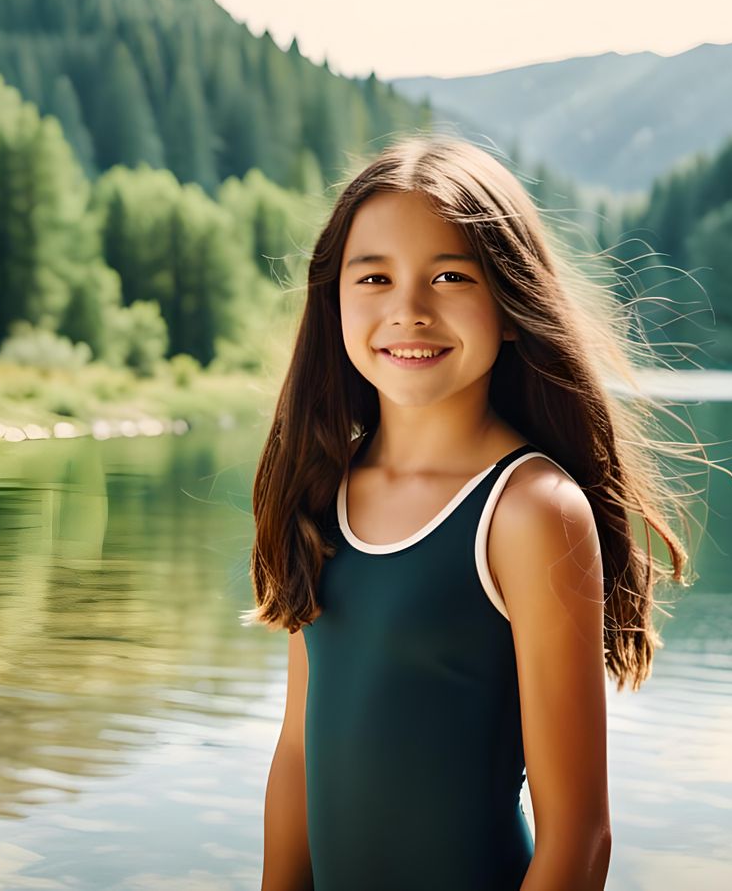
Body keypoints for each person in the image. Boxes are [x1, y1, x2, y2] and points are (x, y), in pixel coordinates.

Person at [247, 133, 703, 890]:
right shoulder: (319, 490)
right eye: (374, 279)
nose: (409, 311)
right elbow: (297, 750)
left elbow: (580, 838)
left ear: (514, 305)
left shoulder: (531, 511)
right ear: (333, 303)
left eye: (451, 276)